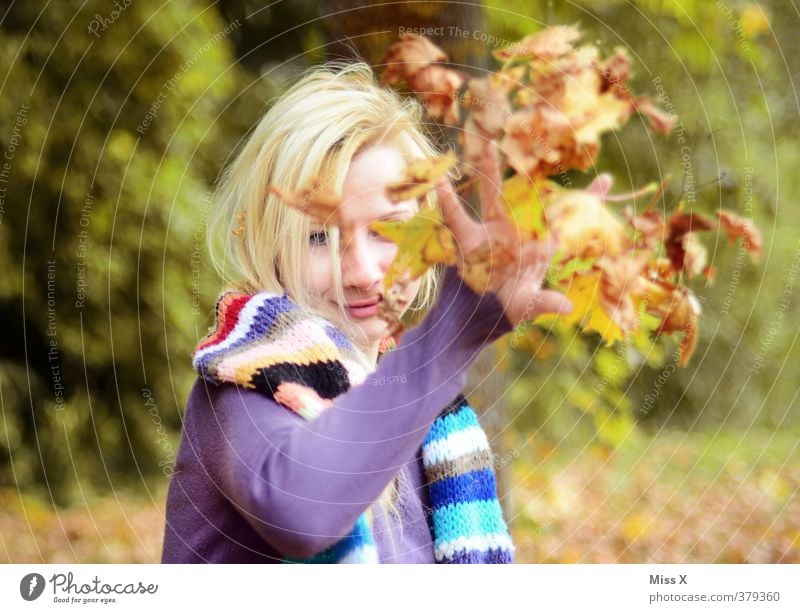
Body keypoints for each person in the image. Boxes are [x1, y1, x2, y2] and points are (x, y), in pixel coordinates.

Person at [161, 61, 572, 564]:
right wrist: (450, 334)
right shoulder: (246, 382)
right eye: (319, 237)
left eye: (388, 229)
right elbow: (302, 513)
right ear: (271, 247)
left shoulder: (423, 408)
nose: (360, 271)